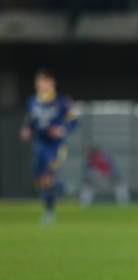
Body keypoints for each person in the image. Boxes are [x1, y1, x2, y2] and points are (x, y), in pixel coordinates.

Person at [19, 69, 78, 224]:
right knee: (41, 181)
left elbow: (74, 121)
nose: (41, 84)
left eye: (44, 81)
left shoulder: (62, 101)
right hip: (40, 145)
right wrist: (27, 130)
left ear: (52, 83)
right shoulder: (33, 101)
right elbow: (30, 121)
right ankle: (62, 189)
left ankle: (50, 212)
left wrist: (62, 129)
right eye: (38, 81)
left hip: (56, 147)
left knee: (48, 175)